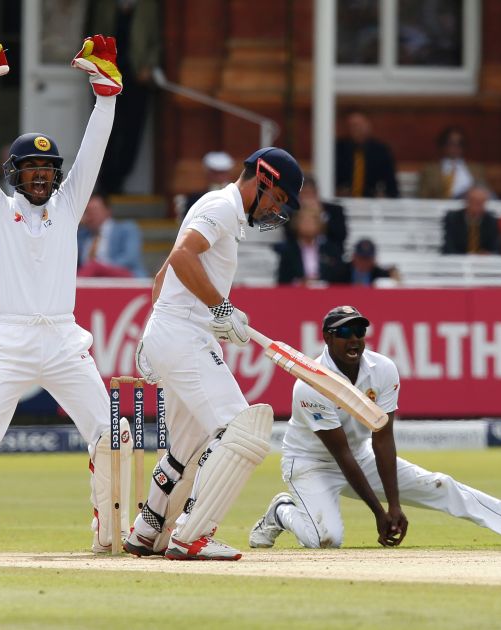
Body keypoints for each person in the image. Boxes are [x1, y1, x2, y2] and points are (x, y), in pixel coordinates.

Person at [0, 35, 128, 557]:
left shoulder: (68, 206)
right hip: (12, 341)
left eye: (48, 172)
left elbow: (93, 152)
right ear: (15, 175)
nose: (42, 178)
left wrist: (105, 98)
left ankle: (111, 533)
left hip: (64, 340)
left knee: (114, 435)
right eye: (32, 172)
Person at [249, 305, 501, 550]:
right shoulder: (309, 384)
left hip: (360, 453)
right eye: (344, 333)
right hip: (311, 463)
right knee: (325, 540)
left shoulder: (382, 369)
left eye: (359, 332)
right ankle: (281, 511)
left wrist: (395, 504)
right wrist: (379, 513)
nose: (354, 340)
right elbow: (340, 455)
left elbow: (382, 438)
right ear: (327, 338)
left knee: (440, 484)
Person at [123, 146, 304, 561]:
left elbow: (162, 275)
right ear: (264, 179)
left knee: (188, 442)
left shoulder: (224, 213)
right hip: (183, 337)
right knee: (241, 431)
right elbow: (181, 256)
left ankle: (148, 527)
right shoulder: (222, 206)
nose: (276, 209)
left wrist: (160, 329)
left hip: (180, 334)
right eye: (277, 198)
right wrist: (219, 308)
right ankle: (192, 534)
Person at [90, 0, 160, 194]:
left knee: (132, 130)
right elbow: (94, 36)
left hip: (136, 77)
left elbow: (157, 40)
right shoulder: (104, 5)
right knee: (105, 126)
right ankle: (104, 181)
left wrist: (148, 66)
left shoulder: (149, 7)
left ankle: (119, 178)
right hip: (108, 74)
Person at [77, 193, 147, 277]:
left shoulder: (127, 229)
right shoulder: (81, 235)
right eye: (87, 212)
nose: (91, 216)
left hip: (121, 280)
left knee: (93, 267)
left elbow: (130, 258)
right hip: (89, 283)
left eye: (94, 210)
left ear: (108, 211)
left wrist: (100, 268)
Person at [335, 110, 399, 198]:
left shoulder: (381, 151)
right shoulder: (337, 149)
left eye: (359, 125)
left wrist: (384, 195)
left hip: (372, 202)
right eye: (352, 126)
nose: (356, 129)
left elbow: (391, 184)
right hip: (343, 199)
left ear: (368, 126)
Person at [274, 207, 343, 285]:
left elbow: (339, 278)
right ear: (297, 224)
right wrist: (299, 283)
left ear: (318, 225)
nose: (308, 225)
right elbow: (282, 281)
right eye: (304, 221)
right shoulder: (288, 251)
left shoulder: (331, 249)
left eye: (311, 221)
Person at [284, 173, 347, 258]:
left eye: (310, 193)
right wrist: (301, 216)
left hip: (330, 256)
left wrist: (320, 216)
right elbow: (290, 236)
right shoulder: (293, 213)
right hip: (300, 256)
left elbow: (341, 235)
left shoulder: (334, 210)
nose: (307, 198)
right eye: (304, 194)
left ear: (316, 193)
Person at [418, 126, 485, 199]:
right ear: (443, 145)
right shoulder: (431, 170)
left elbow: (485, 191)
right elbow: (423, 196)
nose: (455, 147)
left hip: (470, 206)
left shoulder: (476, 168)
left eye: (460, 143)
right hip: (443, 205)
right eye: (451, 143)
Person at [441, 185, 501, 254]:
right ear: (466, 201)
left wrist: (487, 255)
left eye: (481, 202)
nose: (477, 206)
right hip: (457, 261)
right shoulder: (452, 219)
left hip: (483, 263)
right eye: (474, 201)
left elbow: (496, 249)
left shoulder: (491, 221)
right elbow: (448, 248)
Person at [330, 238, 398, 286]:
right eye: (362, 258)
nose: (365, 262)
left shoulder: (381, 275)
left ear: (374, 259)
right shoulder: (339, 273)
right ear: (354, 257)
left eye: (368, 259)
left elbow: (395, 278)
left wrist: (394, 275)